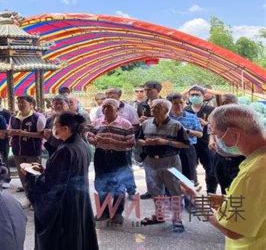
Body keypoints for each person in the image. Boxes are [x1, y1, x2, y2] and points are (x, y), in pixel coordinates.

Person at [182, 104, 266, 249]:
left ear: (233, 134)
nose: (215, 140)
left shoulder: (252, 173)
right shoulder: (258, 163)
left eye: (216, 134)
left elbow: (233, 230)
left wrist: (197, 200)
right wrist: (228, 201)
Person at [24, 112, 99, 250]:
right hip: (79, 198)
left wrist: (31, 176)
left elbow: (52, 184)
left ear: (65, 128)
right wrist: (45, 170)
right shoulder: (82, 144)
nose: (53, 129)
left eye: (55, 126)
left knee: (64, 239)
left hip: (64, 203)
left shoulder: (66, 150)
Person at [137, 99, 190, 232]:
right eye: (152, 107)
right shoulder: (145, 124)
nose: (153, 109)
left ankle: (177, 219)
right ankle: (159, 215)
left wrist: (165, 142)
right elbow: (138, 139)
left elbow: (185, 144)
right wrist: (146, 142)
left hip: (170, 161)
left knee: (175, 191)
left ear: (166, 110)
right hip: (150, 161)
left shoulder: (176, 125)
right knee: (155, 190)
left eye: (157, 107)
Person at [88, 99, 136, 224]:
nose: (106, 110)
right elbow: (90, 137)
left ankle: (117, 213)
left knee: (119, 185)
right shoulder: (96, 123)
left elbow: (131, 143)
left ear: (117, 109)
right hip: (101, 155)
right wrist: (94, 139)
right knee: (101, 184)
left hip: (118, 155)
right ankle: (103, 211)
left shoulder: (125, 124)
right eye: (104, 107)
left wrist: (114, 142)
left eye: (110, 107)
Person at [8, 95, 45, 202]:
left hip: (32, 152)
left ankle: (38, 199)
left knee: (34, 176)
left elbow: (42, 135)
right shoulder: (13, 117)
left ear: (31, 105)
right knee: (23, 177)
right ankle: (29, 199)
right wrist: (11, 133)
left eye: (22, 103)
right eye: (18, 103)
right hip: (17, 151)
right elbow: (9, 131)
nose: (20, 105)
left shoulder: (37, 117)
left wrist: (24, 133)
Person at [208, 94, 245, 194]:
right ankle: (226, 206)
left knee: (238, 187)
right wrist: (211, 140)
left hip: (239, 157)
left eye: (227, 102)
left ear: (236, 103)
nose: (223, 105)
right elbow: (211, 129)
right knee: (223, 185)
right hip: (221, 156)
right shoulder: (216, 115)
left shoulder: (244, 116)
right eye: (222, 102)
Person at [185, 85, 218, 192]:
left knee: (211, 169)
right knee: (190, 169)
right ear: (188, 96)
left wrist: (207, 123)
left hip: (206, 143)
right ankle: (193, 192)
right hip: (190, 144)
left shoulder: (211, 110)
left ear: (203, 96)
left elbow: (218, 126)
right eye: (192, 95)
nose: (195, 97)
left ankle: (211, 192)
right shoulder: (185, 110)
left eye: (197, 95)